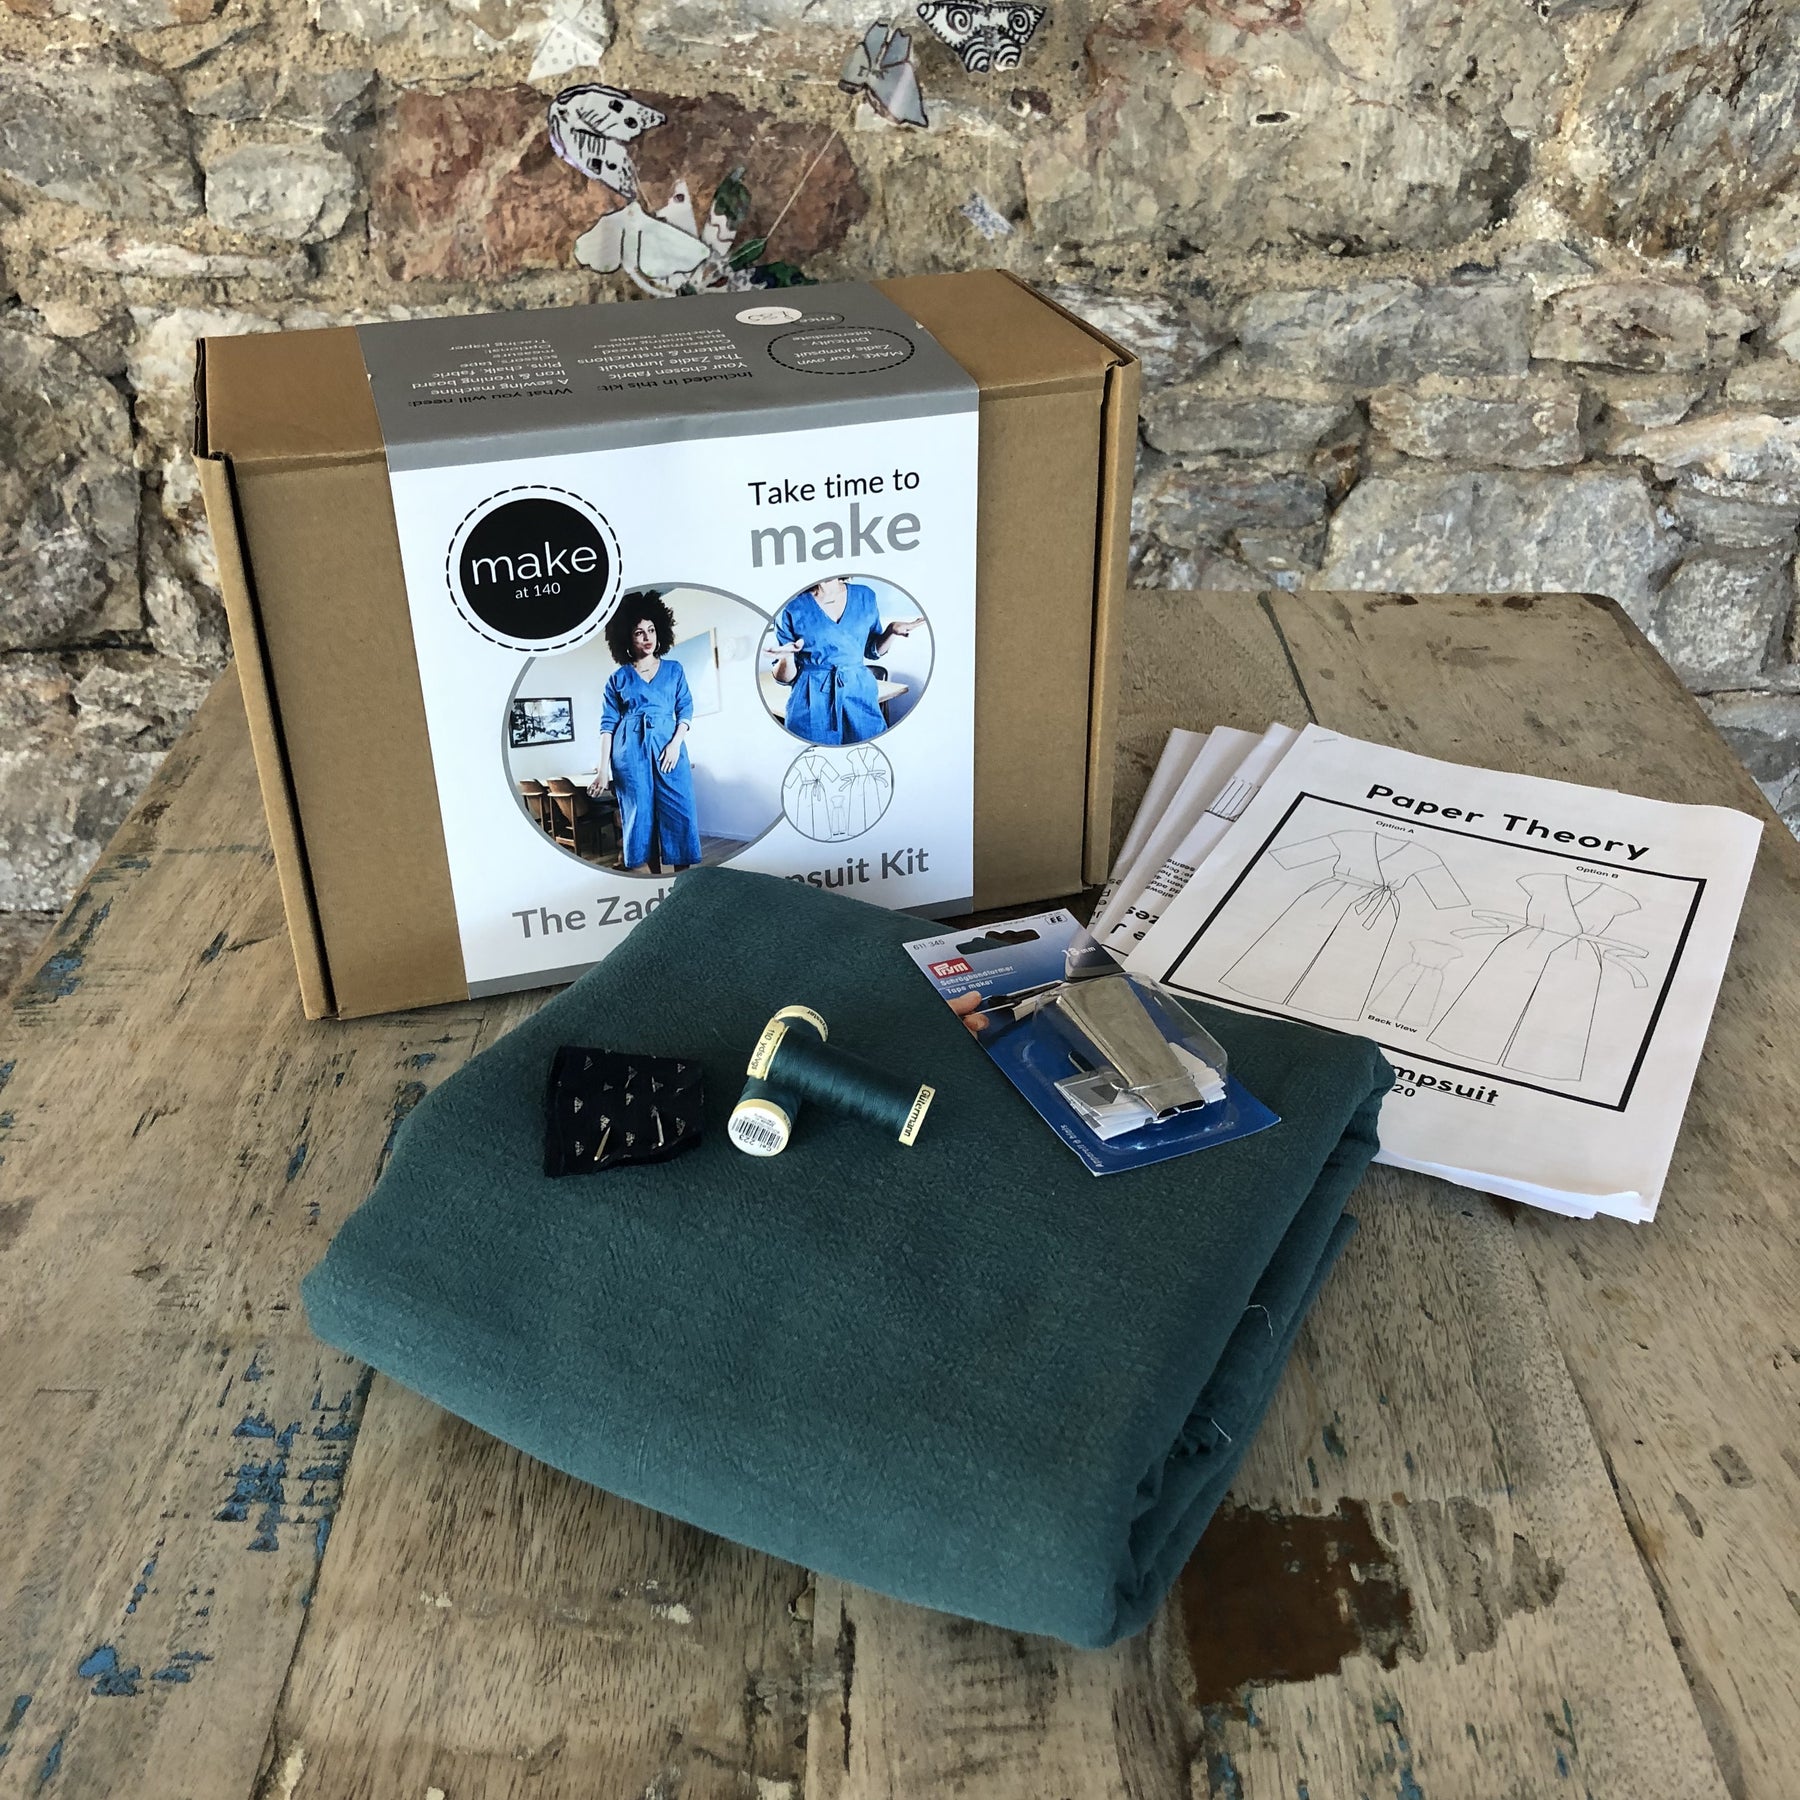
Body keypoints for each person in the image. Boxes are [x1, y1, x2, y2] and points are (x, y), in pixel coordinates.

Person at [589, 592, 702, 874]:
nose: (647, 637)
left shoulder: (674, 670)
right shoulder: (617, 679)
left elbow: (685, 709)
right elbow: (607, 725)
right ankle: (654, 877)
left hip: (668, 745)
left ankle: (684, 878)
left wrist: (675, 744)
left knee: (680, 809)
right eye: (639, 632)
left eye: (651, 630)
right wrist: (603, 770)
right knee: (641, 814)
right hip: (629, 751)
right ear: (627, 638)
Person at [766, 576, 926, 744]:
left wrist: (891, 632)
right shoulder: (790, 607)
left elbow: (872, 651)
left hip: (859, 692)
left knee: (869, 751)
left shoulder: (865, 596)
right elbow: (785, 678)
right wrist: (787, 656)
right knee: (816, 756)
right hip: (811, 699)